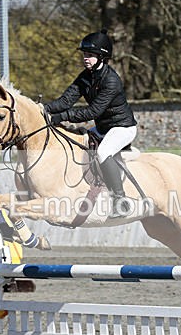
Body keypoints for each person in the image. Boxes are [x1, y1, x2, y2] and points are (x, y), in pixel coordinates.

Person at [43, 29, 138, 217]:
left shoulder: (111, 81)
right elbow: (65, 101)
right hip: (103, 128)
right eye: (85, 54)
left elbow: (92, 111)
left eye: (91, 55)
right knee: (75, 140)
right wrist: (42, 109)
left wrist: (61, 117)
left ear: (102, 57)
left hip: (122, 128)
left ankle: (120, 201)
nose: (86, 58)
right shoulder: (86, 76)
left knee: (103, 152)